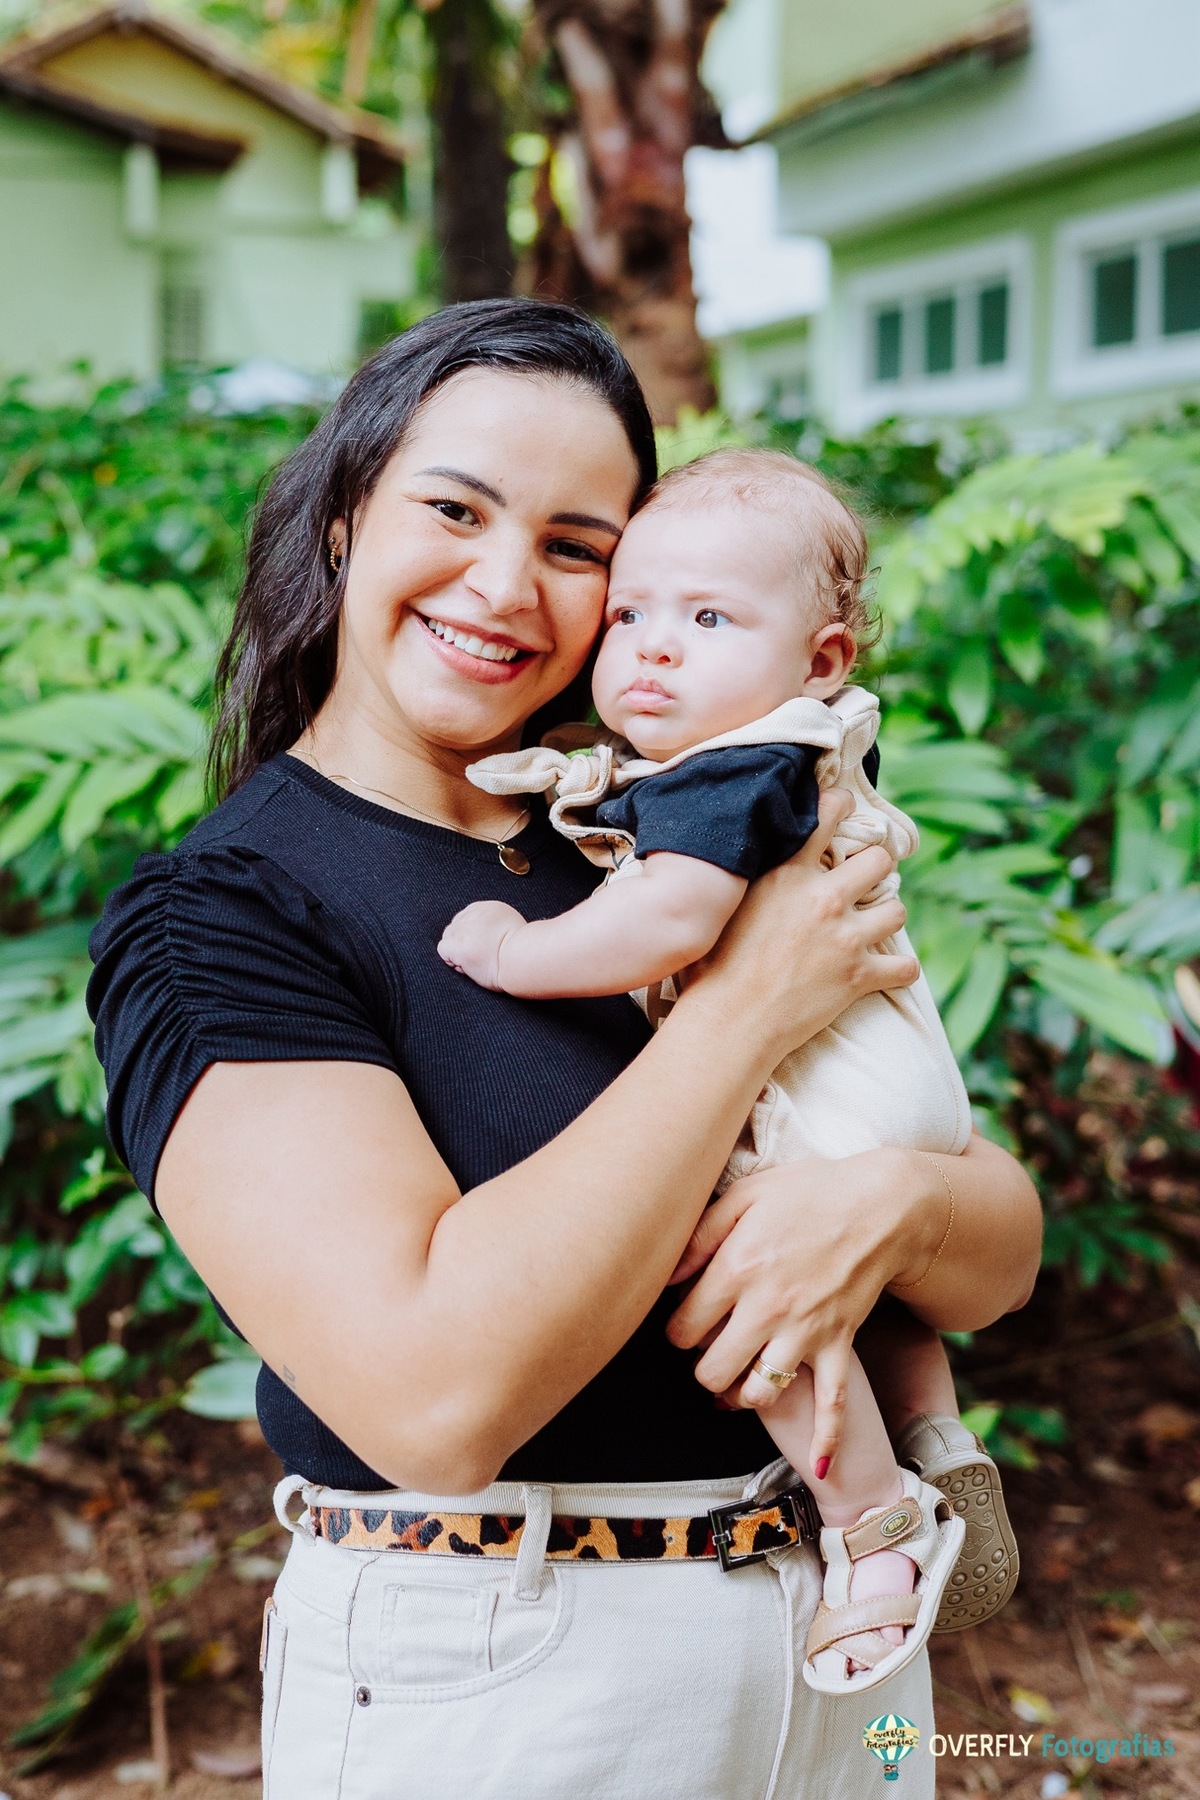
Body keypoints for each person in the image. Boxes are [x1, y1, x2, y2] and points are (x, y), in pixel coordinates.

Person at [87, 300, 1042, 1800]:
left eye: (578, 545)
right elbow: (435, 1401)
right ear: (344, 519)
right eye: (455, 510)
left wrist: (889, 1209)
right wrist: (742, 1009)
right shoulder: (232, 911)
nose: (506, 585)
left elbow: (997, 1251)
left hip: (847, 1643)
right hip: (514, 1663)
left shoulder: (654, 821)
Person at [438, 447, 1019, 1697]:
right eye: (632, 614)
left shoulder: (732, 771)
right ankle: (935, 1436)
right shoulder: (785, 747)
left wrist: (513, 951)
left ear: (821, 660)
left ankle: (873, 1527)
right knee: (863, 1284)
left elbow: (668, 922)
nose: (653, 646)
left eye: (708, 620)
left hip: (824, 1085)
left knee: (755, 1294)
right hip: (889, 1076)